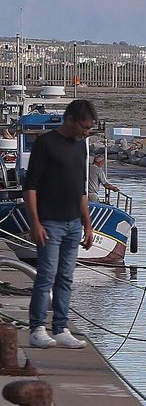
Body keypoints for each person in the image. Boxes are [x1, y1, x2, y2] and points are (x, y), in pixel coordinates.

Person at [22, 99, 97, 349]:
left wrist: (88, 225)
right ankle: (37, 328)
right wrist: (35, 222)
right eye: (84, 127)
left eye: (90, 129)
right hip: (50, 222)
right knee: (46, 276)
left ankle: (61, 327)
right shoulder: (45, 144)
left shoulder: (81, 146)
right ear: (70, 120)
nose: (87, 132)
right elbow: (30, 187)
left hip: (74, 222)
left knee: (66, 277)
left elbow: (81, 189)